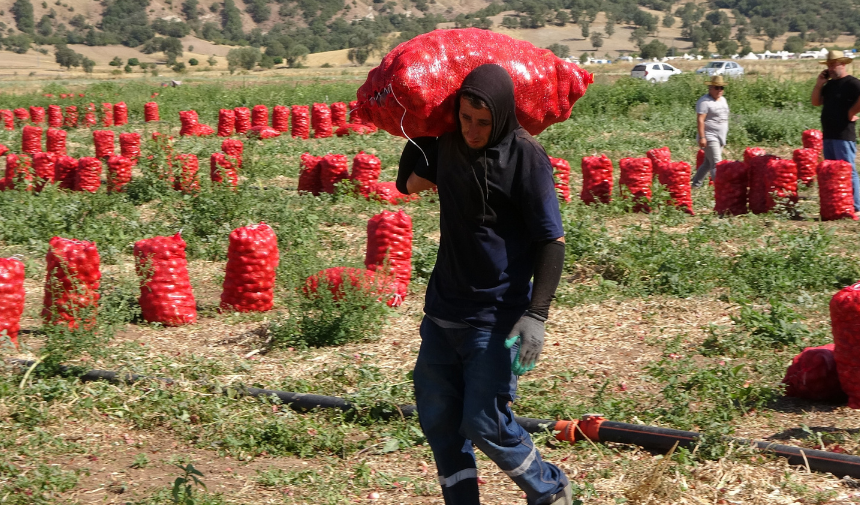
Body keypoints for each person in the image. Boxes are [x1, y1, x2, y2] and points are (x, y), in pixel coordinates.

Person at [395, 64, 571, 505]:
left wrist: (537, 314)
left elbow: (552, 239)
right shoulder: (449, 144)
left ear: (503, 115)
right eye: (465, 118)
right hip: (442, 311)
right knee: (438, 417)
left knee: (484, 421)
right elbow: (407, 184)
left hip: (497, 317)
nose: (472, 130)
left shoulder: (525, 156)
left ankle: (551, 489)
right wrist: (424, 129)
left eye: (483, 122)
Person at [811, 49, 860, 212]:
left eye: (834, 64)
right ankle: (838, 205)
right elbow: (816, 102)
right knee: (832, 170)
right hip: (829, 134)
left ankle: (856, 206)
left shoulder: (852, 83)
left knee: (848, 170)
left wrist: (852, 111)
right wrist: (819, 84)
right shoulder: (830, 85)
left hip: (843, 134)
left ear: (843, 64)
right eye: (829, 65)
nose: (831, 68)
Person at [692, 74, 730, 188]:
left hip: (720, 136)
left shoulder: (723, 100)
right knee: (716, 164)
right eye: (716, 87)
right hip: (709, 136)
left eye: (721, 88)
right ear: (710, 88)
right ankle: (720, 189)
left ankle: (695, 185)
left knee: (707, 163)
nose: (719, 90)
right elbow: (700, 119)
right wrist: (702, 137)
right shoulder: (704, 101)